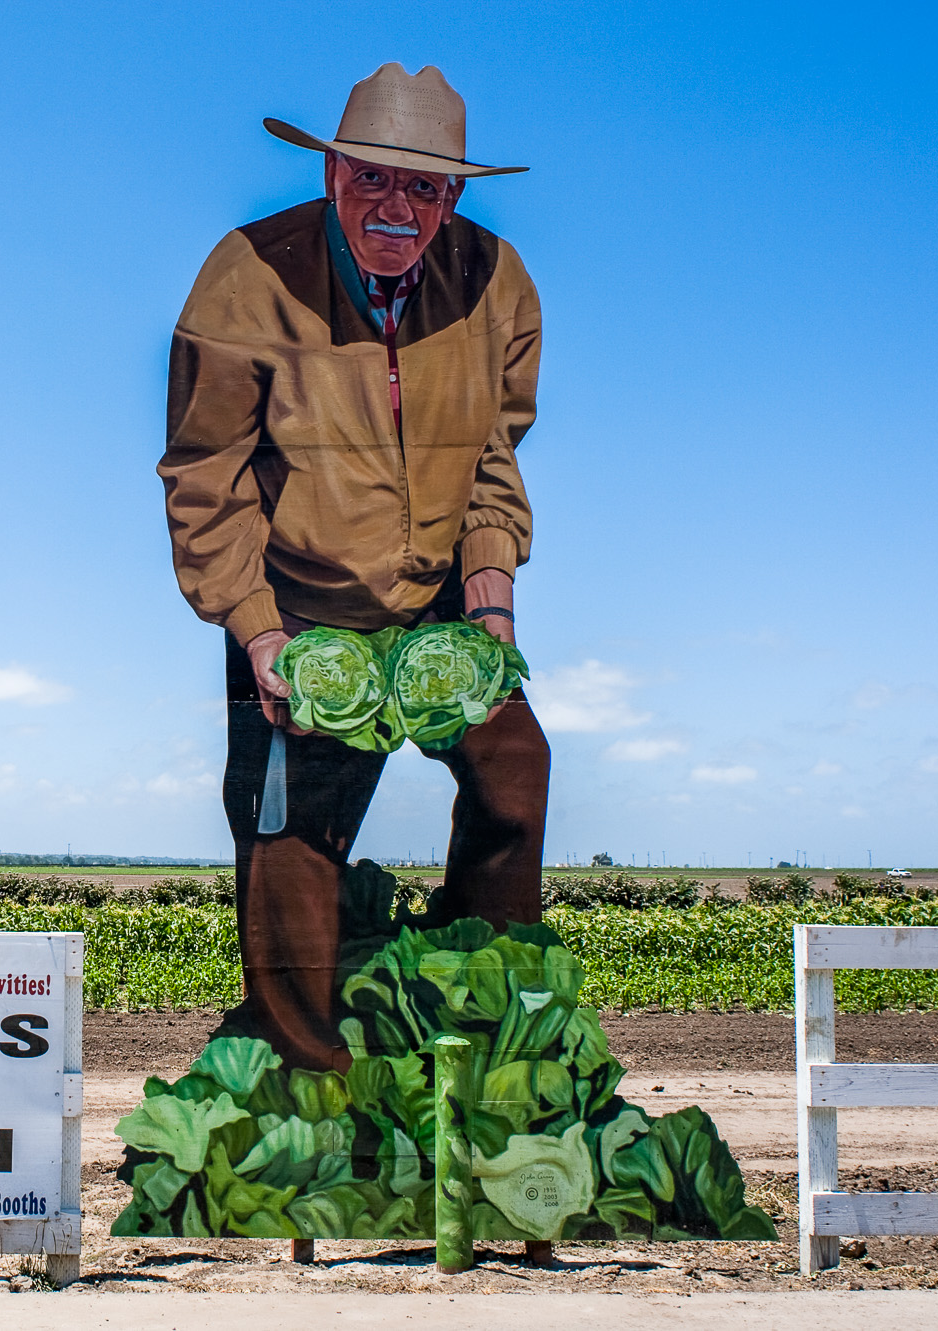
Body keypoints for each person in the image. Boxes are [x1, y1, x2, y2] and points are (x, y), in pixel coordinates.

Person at [159, 64, 552, 1076]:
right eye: (373, 176)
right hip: (296, 608)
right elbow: (206, 474)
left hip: (433, 604)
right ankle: (313, 1087)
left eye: (422, 187)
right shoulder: (247, 275)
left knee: (514, 764)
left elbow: (494, 461)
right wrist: (259, 635)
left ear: (452, 196)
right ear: (332, 171)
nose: (395, 204)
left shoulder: (496, 280)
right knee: (287, 843)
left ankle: (461, 1018)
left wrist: (490, 610)